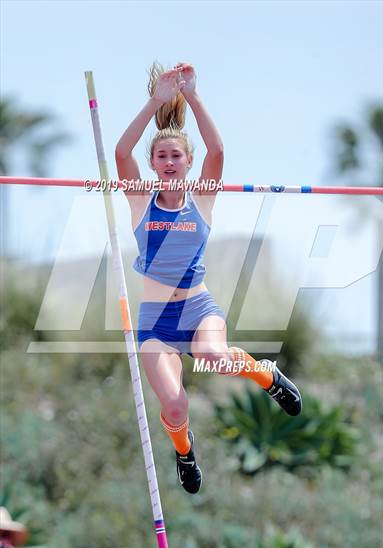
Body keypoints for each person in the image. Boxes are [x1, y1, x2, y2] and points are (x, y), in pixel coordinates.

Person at [115, 62, 302, 494]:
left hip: (197, 307)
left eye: (175, 155)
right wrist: (155, 101)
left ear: (188, 162)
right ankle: (184, 450)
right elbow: (122, 153)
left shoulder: (202, 199)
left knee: (215, 356)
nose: (167, 162)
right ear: (153, 163)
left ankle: (266, 377)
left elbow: (218, 151)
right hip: (156, 321)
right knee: (176, 404)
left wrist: (194, 98)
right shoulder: (141, 202)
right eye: (160, 156)